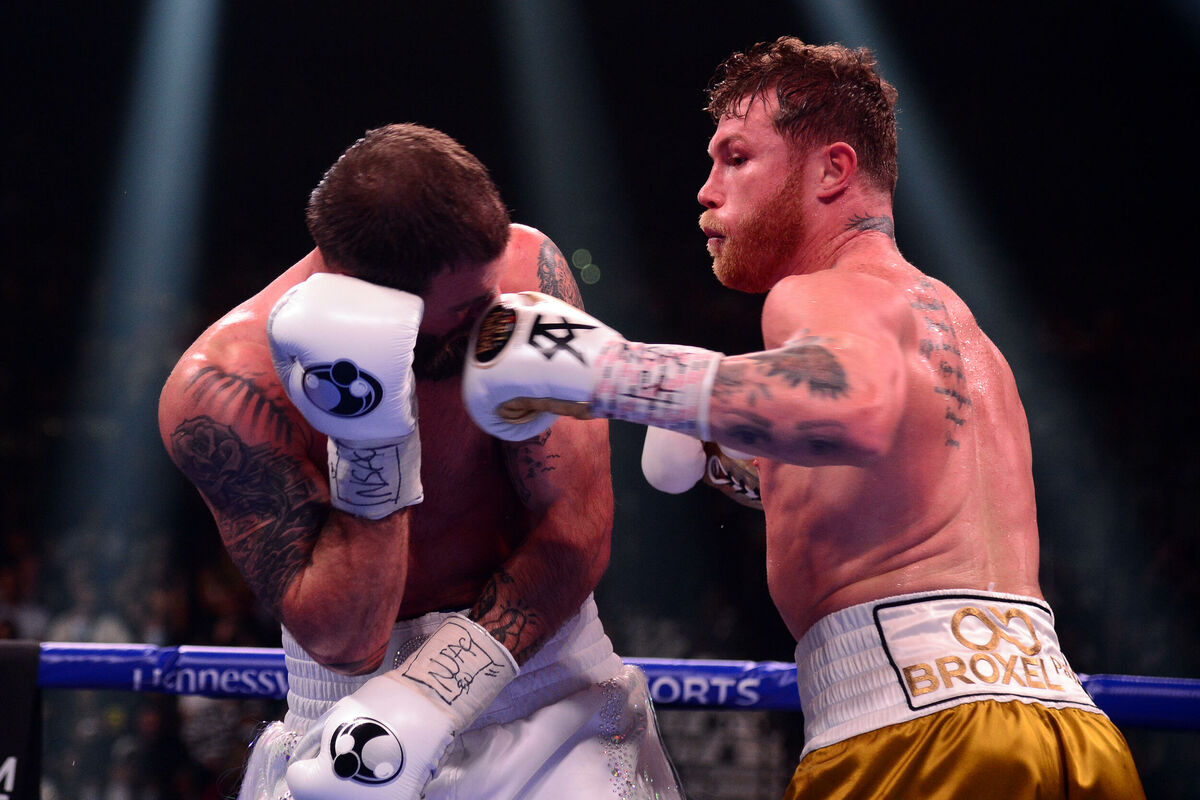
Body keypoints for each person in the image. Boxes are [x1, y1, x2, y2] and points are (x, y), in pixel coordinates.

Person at [460, 37, 1146, 798]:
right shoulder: (962, 333)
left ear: (832, 170)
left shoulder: (820, 293)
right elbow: (868, 476)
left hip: (923, 739)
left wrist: (610, 370)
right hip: (1067, 732)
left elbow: (852, 413)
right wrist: (720, 449)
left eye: (737, 158)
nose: (706, 191)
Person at [158, 123, 681, 800]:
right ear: (378, 301)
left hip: (550, 684)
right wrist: (372, 443)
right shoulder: (229, 386)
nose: (495, 319)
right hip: (346, 713)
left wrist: (433, 693)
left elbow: (575, 530)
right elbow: (346, 640)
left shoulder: (527, 271)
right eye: (467, 309)